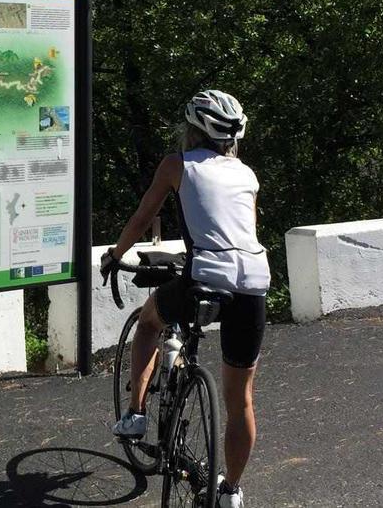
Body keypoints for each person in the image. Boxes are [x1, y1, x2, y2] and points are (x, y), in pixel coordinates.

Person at [106, 89, 269, 508]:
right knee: (241, 399)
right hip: (253, 281)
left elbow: (145, 215)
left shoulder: (177, 165)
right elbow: (240, 232)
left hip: (205, 276)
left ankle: (136, 414)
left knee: (148, 321)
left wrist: (116, 254)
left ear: (192, 130)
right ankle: (231, 491)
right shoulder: (247, 175)